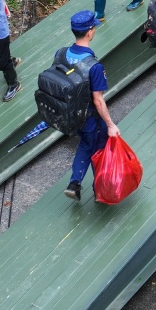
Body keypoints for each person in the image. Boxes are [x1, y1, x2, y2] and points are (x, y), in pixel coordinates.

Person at [61, 11, 121, 200]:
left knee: (86, 145)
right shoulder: (94, 66)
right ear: (89, 32)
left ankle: (75, 182)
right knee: (99, 150)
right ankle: (99, 190)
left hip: (70, 114)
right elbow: (98, 100)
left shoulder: (61, 53)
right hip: (90, 118)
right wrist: (111, 125)